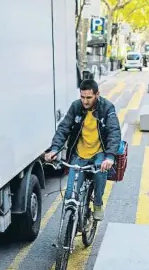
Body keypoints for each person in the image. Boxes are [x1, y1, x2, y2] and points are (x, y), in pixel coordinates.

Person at [44, 79, 121, 221]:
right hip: (79, 155)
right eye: (82, 97)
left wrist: (109, 157)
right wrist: (54, 149)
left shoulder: (107, 108)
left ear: (97, 94)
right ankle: (69, 228)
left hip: (99, 153)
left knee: (100, 173)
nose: (85, 101)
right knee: (69, 195)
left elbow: (114, 132)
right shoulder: (76, 107)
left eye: (89, 97)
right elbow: (64, 128)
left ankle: (97, 204)